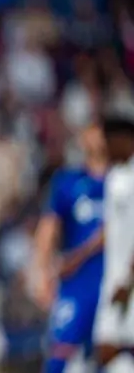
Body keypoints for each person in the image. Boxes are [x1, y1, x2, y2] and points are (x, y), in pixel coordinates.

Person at [32, 123, 106, 373]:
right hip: (75, 284)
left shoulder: (123, 182)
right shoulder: (68, 182)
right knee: (58, 357)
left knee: (111, 357)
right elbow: (48, 230)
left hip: (113, 283)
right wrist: (42, 273)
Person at [93, 113, 134, 373]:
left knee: (111, 349)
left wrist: (128, 281)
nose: (105, 148)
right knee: (107, 349)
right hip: (114, 278)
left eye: (108, 141)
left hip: (128, 283)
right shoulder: (115, 177)